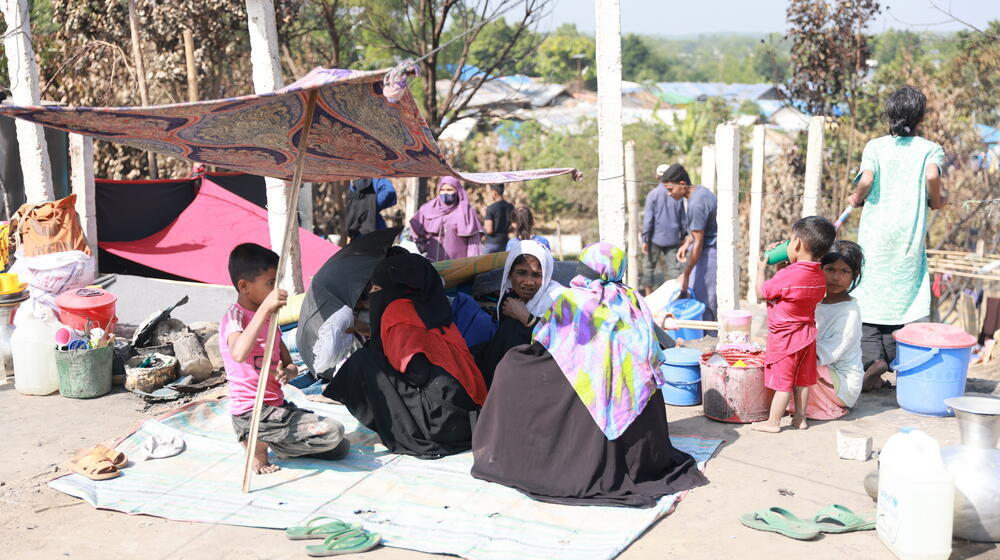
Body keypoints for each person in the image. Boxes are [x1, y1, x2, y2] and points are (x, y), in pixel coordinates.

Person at [471, 243, 708, 507]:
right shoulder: (633, 301)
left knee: (510, 369)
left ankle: (513, 449)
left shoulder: (575, 301)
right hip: (643, 421)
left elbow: (550, 349)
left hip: (597, 395)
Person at [322, 251, 488, 458]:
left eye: (376, 288)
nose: (373, 296)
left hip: (440, 423)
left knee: (362, 362)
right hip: (465, 419)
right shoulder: (431, 308)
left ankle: (402, 433)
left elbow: (415, 373)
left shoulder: (398, 312)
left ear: (394, 288)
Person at [847, 86, 947, 390]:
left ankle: (871, 362)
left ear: (890, 114)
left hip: (875, 236)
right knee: (906, 298)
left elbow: (866, 180)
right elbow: (932, 176)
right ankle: (895, 364)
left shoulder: (875, 146)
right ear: (921, 117)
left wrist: (855, 198)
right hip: (908, 238)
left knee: (870, 293)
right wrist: (937, 200)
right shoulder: (930, 148)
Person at [220, 243, 349, 474]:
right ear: (244, 286)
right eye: (270, 284)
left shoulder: (271, 321)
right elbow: (238, 353)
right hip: (252, 412)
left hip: (277, 408)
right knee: (334, 430)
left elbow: (290, 366)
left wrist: (286, 373)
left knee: (339, 446)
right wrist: (263, 311)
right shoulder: (235, 317)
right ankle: (256, 441)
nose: (275, 290)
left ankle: (277, 443)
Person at [753, 217, 836, 433]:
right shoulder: (819, 275)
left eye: (789, 241)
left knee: (782, 383)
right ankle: (800, 419)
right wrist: (784, 260)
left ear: (797, 243)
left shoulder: (788, 275)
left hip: (785, 339)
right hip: (807, 336)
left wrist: (761, 268)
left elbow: (762, 292)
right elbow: (793, 282)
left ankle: (773, 423)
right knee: (801, 381)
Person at [789, 241, 865, 420]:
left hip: (842, 384)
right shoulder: (818, 302)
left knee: (795, 362)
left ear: (854, 275)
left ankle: (805, 406)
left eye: (844, 271)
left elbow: (827, 354)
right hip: (822, 369)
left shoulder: (850, 312)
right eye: (830, 269)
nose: (836, 278)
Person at [473, 239, 564, 386]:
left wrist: (526, 318)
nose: (528, 282)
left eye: (536, 275)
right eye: (521, 273)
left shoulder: (558, 299)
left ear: (546, 276)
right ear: (509, 274)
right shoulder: (510, 300)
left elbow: (562, 342)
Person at [664, 164, 718, 321]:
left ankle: (709, 338)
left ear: (682, 184)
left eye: (670, 189)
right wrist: (688, 242)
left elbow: (699, 243)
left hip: (708, 253)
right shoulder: (702, 192)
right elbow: (701, 228)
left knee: (704, 301)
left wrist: (686, 275)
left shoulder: (696, 204)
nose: (669, 194)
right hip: (708, 248)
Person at [410, 176, 483, 261]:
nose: (445, 193)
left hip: (458, 264)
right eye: (442, 190)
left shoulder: (466, 211)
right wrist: (423, 246)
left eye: (449, 190)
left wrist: (471, 262)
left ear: (457, 191)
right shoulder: (428, 209)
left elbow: (473, 242)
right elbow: (416, 227)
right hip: (433, 262)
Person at [641, 165, 687, 296]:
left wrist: (645, 239)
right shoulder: (677, 193)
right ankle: (675, 297)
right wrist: (683, 236)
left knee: (649, 267)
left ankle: (648, 296)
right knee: (673, 270)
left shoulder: (653, 194)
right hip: (673, 238)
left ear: (657, 177)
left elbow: (648, 219)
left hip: (655, 238)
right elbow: (683, 217)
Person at [482, 184, 515, 254]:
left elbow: (489, 230)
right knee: (502, 264)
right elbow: (513, 227)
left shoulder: (491, 208)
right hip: (505, 242)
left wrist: (485, 217)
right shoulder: (510, 207)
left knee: (485, 264)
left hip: (492, 244)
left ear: (494, 193)